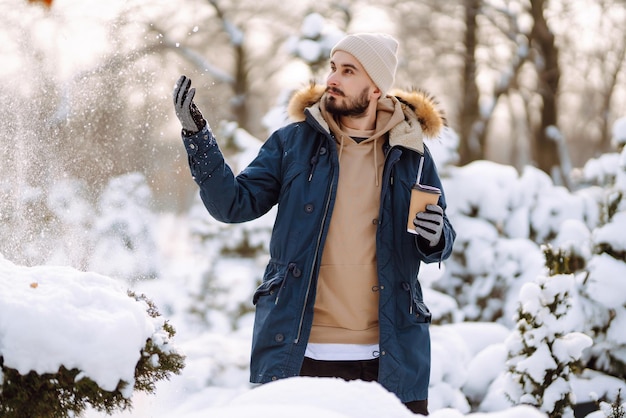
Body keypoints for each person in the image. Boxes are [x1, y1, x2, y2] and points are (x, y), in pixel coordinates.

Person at [173, 32, 455, 416]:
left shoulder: (412, 154)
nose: (333, 79)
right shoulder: (293, 144)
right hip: (300, 349)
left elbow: (441, 237)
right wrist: (197, 138)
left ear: (375, 88)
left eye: (348, 71)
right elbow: (233, 205)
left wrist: (436, 236)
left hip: (388, 356)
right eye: (333, 68)